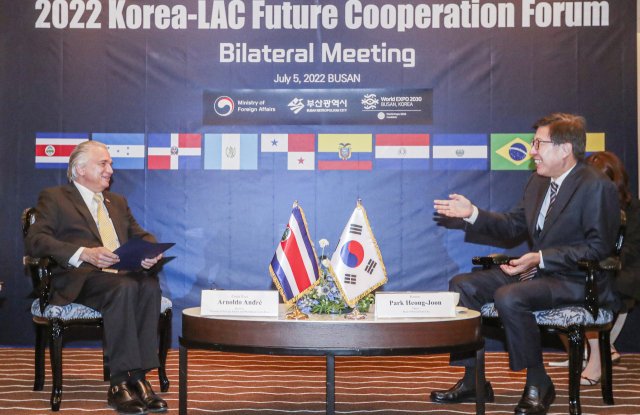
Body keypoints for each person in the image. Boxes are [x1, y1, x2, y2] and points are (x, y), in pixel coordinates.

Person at [432, 114, 621, 415]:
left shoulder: (596, 186)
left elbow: (599, 249)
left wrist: (541, 258)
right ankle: (473, 381)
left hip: (577, 280)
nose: (532, 151)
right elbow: (512, 225)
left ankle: (539, 382)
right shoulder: (538, 182)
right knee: (462, 286)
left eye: (538, 144)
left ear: (565, 149)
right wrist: (472, 213)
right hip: (538, 275)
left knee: (510, 296)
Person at [25, 141, 168, 415]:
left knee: (150, 286)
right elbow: (36, 240)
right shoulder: (55, 197)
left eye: (110, 164)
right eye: (103, 163)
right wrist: (84, 253)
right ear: (80, 169)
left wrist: (151, 251)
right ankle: (119, 385)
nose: (110, 170)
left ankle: (139, 379)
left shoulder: (117, 202)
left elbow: (141, 234)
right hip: (78, 278)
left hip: (118, 277)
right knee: (124, 286)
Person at [579, 151, 640, 385]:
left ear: (617, 181)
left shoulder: (633, 209)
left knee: (603, 285)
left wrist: (601, 259)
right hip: (588, 265)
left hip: (623, 268)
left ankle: (598, 354)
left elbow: (631, 249)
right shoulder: (580, 205)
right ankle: (590, 350)